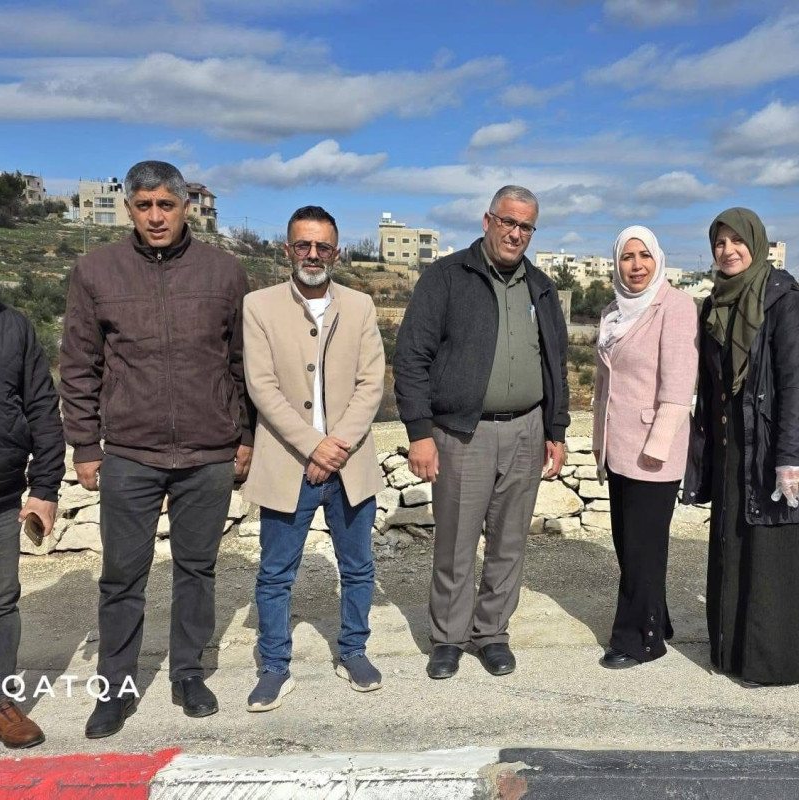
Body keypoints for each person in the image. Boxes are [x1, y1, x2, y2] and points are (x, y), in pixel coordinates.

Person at [60, 160, 253, 738]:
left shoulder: (224, 272)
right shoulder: (96, 270)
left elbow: (244, 363)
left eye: (165, 205)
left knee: (197, 569)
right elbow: (79, 365)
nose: (155, 217)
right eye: (143, 206)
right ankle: (116, 688)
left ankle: (188, 674)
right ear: (129, 210)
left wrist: (245, 436)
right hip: (128, 452)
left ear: (185, 207)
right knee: (122, 575)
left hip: (208, 452)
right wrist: (85, 445)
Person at [393, 185, 569, 679]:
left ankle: (491, 633)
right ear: (488, 220)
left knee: (510, 542)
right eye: (508, 221)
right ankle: (448, 638)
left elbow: (555, 361)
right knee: (455, 542)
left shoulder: (541, 287)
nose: (516, 233)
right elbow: (411, 357)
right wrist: (419, 432)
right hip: (462, 433)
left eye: (526, 226)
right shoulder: (447, 276)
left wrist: (556, 429)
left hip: (527, 430)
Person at [241, 206, 385, 709]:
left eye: (323, 246)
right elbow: (261, 386)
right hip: (288, 463)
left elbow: (371, 384)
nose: (313, 254)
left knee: (358, 567)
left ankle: (354, 651)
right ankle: (274, 666)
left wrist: (335, 446)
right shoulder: (258, 306)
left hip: (349, 464)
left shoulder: (360, 306)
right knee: (276, 573)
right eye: (303, 245)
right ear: (287, 249)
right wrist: (312, 445)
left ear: (336, 253)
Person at [683, 207, 799, 686]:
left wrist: (792, 456)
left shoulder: (782, 296)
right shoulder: (714, 303)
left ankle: (778, 662)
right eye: (719, 243)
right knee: (734, 546)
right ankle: (732, 652)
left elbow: (796, 381)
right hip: (732, 444)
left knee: (774, 550)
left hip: (773, 442)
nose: (728, 251)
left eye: (737, 241)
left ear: (757, 243)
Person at [591, 226, 698, 669]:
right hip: (618, 446)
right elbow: (605, 384)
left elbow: (678, 386)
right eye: (627, 257)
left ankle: (639, 641)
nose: (636, 265)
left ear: (658, 259)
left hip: (654, 449)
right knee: (629, 544)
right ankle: (658, 619)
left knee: (642, 548)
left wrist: (658, 445)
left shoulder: (676, 306)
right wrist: (599, 441)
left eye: (644, 256)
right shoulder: (613, 312)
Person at [0, 304, 64, 748]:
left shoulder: (14, 325)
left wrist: (44, 487)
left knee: (1, 602)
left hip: (2, 493)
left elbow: (41, 406)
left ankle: (1, 700)